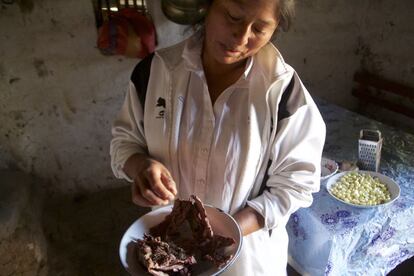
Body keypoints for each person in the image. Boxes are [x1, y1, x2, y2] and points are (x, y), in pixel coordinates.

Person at [110, 0, 326, 275]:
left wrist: (224, 235)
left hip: (247, 262)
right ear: (207, 7)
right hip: (168, 254)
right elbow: (124, 142)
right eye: (232, 16)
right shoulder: (155, 73)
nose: (242, 36)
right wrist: (140, 166)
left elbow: (296, 185)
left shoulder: (284, 93)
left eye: (259, 28)